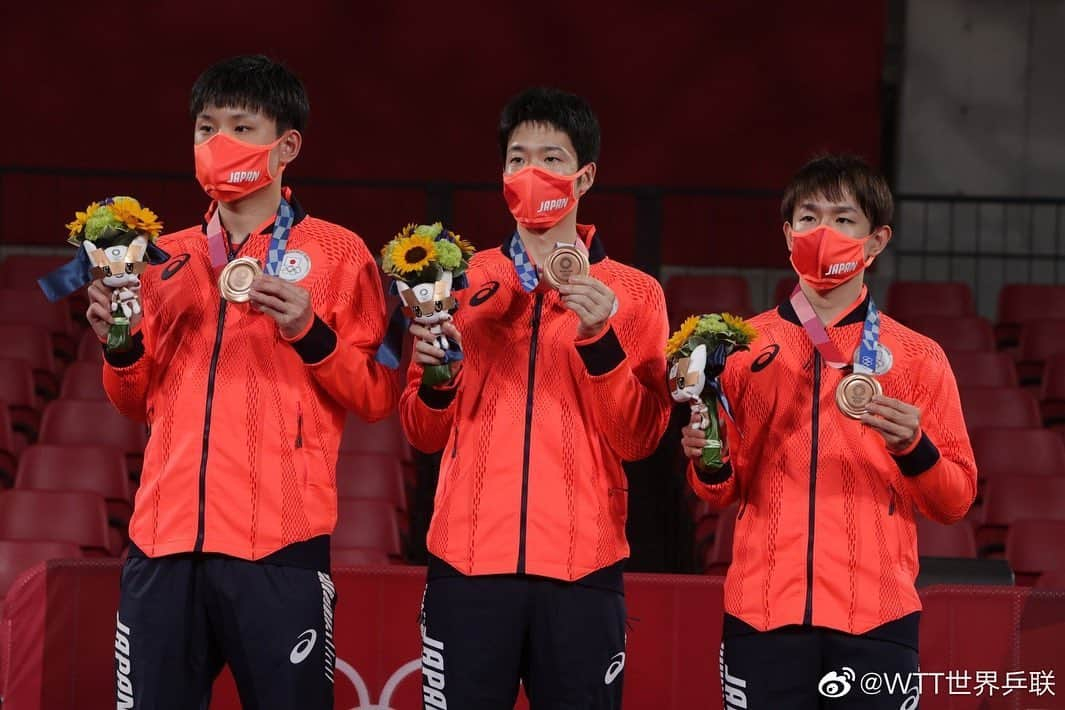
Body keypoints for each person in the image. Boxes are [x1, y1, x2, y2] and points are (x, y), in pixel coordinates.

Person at [89, 55, 398, 709]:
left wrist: (311, 332)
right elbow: (133, 401)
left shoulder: (340, 254)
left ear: (286, 146)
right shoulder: (159, 257)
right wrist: (119, 347)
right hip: (161, 544)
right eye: (205, 128)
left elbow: (377, 393)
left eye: (240, 126)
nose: (218, 142)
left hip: (278, 546)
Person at [400, 87, 672, 709]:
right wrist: (437, 381)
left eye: (550, 157)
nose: (531, 173)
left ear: (585, 176)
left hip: (583, 568)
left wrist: (600, 340)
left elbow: (640, 438)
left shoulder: (633, 294)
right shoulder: (458, 284)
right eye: (517, 159)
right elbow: (420, 431)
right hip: (467, 567)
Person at [680, 155, 977, 709]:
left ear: (877, 240)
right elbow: (717, 492)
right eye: (809, 217)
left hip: (878, 619)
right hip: (764, 613)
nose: (824, 233)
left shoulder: (918, 358)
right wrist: (707, 460)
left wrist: (915, 448)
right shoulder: (740, 349)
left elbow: (956, 501)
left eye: (843, 220)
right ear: (787, 233)